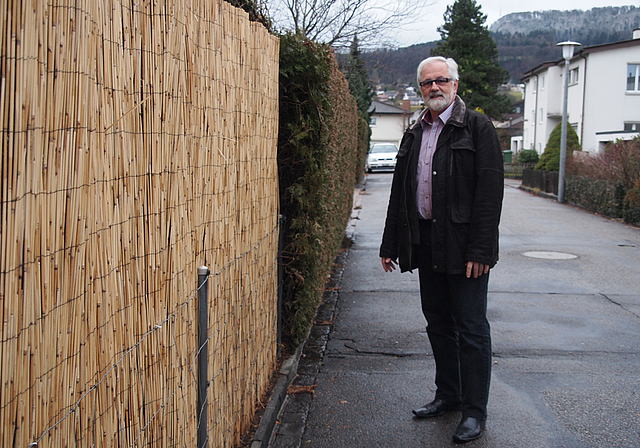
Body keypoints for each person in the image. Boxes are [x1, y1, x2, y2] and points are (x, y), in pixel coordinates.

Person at [379, 56, 504, 444]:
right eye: (427, 83)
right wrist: (390, 243)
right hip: (425, 241)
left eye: (441, 80)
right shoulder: (416, 130)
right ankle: (448, 395)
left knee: (470, 328)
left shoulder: (478, 126)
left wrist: (481, 251)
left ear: (455, 83)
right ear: (420, 89)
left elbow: (489, 194)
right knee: (437, 324)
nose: (434, 88)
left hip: (466, 247)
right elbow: (400, 192)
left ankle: (474, 411)